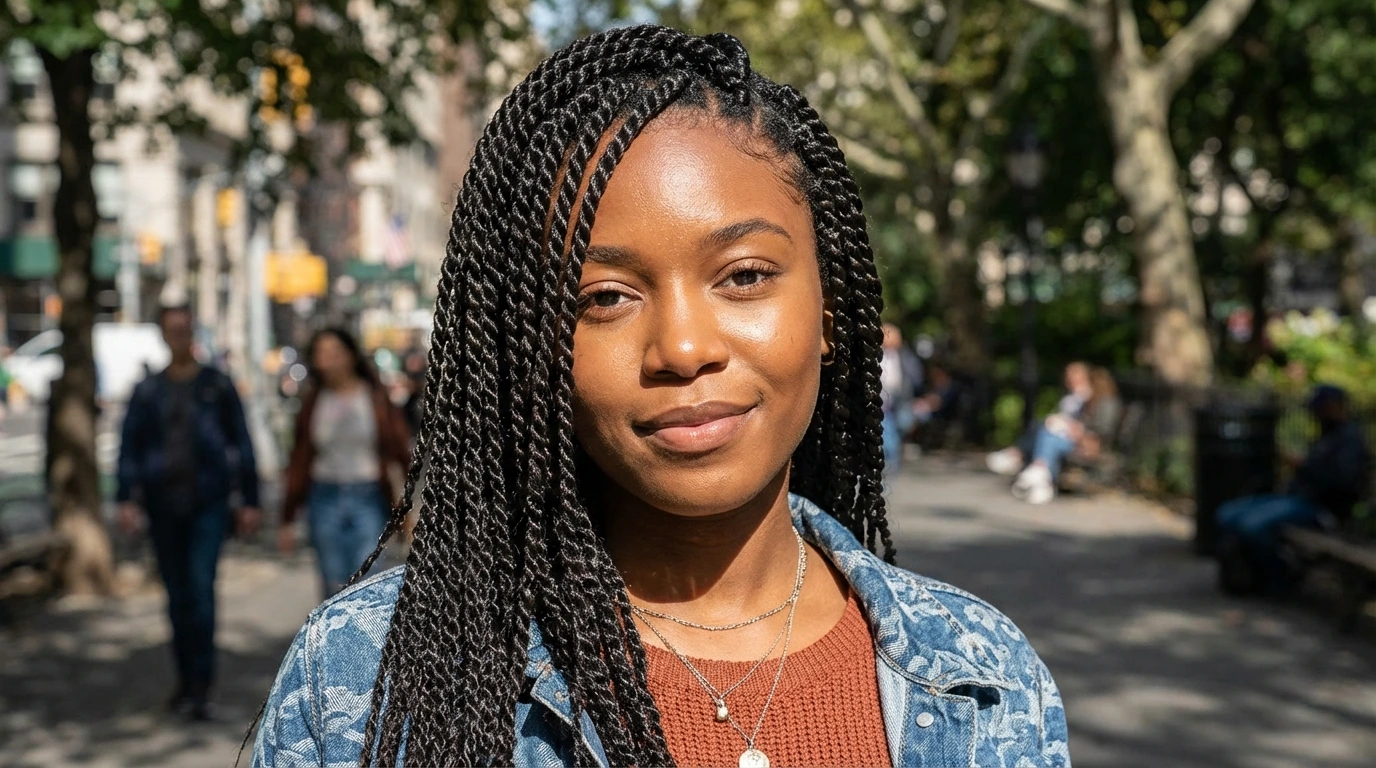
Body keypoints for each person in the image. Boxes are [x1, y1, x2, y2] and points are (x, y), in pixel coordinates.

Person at [251, 27, 1067, 768]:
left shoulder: (983, 679)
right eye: (604, 297)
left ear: (829, 311)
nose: (683, 349)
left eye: (744, 276)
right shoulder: (362, 680)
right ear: (534, 351)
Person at [116, 305, 260, 721]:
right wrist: (127, 497)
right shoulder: (148, 391)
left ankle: (202, 683)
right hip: (163, 506)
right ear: (163, 336)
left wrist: (249, 500)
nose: (178, 337)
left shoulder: (216, 385)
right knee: (176, 596)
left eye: (184, 329)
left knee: (200, 589)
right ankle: (184, 679)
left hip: (208, 504)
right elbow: (130, 447)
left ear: (192, 333)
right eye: (171, 330)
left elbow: (242, 443)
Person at [280, 328, 411, 598]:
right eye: (322, 354)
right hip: (324, 498)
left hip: (368, 497)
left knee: (368, 584)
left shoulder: (374, 396)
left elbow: (400, 450)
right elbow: (299, 458)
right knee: (333, 587)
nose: (329, 360)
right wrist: (288, 517)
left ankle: (366, 641)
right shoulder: (314, 400)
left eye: (335, 353)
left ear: (351, 356)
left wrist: (407, 508)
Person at [1217, 384, 1372, 595]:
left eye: (1320, 408)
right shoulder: (1327, 435)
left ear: (1335, 406)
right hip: (1294, 499)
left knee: (1250, 526)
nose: (1315, 414)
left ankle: (1279, 576)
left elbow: (1342, 482)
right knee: (1227, 514)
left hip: (1320, 508)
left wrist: (1303, 465)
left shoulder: (1350, 440)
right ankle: (1252, 576)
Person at [1011, 366, 1123, 505]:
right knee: (1047, 432)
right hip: (1079, 440)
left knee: (1049, 438)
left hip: (1090, 446)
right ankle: (1041, 476)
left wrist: (1079, 432)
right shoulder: (1091, 403)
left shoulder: (1105, 404)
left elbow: (1099, 433)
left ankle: (1040, 474)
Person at [986, 361, 1093, 477]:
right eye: (1068, 375)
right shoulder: (1069, 396)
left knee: (1046, 437)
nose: (1069, 379)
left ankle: (1026, 461)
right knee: (1041, 428)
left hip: (1073, 439)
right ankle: (1022, 459)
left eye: (1073, 375)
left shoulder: (1089, 397)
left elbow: (1084, 425)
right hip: (1060, 433)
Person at [879, 323, 921, 472]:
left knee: (901, 426)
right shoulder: (876, 354)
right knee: (887, 436)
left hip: (900, 400)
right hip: (881, 403)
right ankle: (888, 463)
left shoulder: (905, 356)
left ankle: (891, 462)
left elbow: (915, 376)